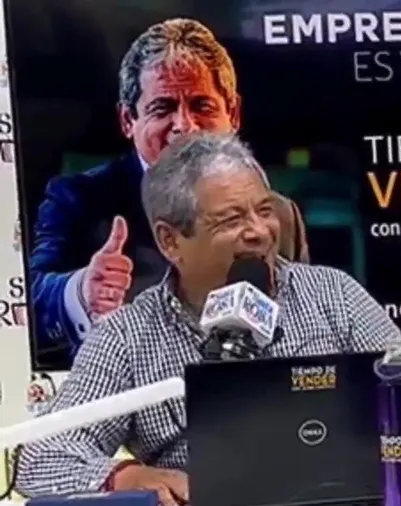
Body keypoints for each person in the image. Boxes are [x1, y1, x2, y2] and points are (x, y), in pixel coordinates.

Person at [15, 132, 401, 506]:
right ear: (171, 241)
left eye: (264, 210)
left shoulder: (334, 294)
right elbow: (40, 456)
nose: (259, 231)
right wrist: (125, 476)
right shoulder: (127, 336)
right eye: (231, 219)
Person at [25, 18, 307, 362]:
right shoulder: (79, 199)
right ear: (128, 120)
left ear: (233, 114)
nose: (185, 126)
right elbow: (26, 303)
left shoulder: (279, 216)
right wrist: (81, 292)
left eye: (202, 106)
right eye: (163, 108)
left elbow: (301, 329)